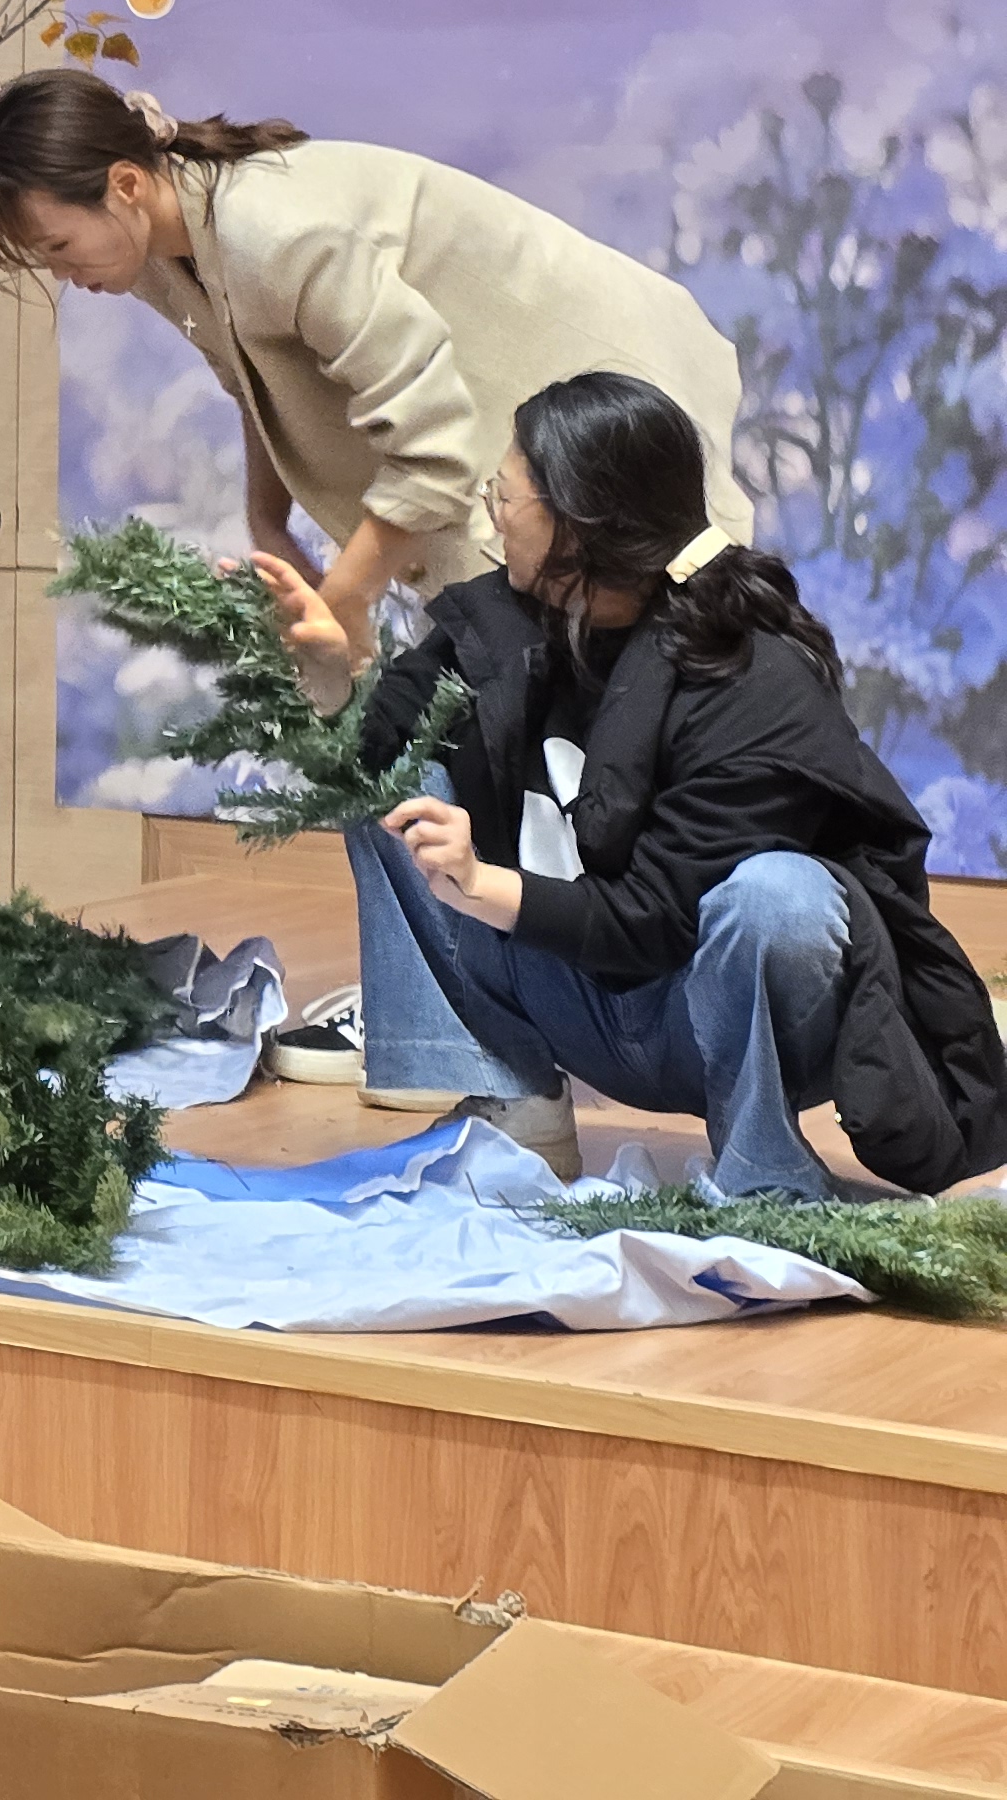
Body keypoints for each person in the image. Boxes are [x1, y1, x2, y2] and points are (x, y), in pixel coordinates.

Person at [259, 371, 1007, 1198]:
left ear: (576, 521)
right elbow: (364, 753)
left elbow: (652, 921)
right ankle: (517, 1100)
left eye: (505, 496)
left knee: (779, 897)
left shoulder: (749, 677)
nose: (491, 516)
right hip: (572, 996)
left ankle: (764, 1168)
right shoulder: (499, 620)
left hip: (707, 1013)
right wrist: (330, 677)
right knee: (395, 788)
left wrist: (479, 883)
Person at [0, 72, 748, 669]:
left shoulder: (275, 233)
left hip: (606, 399)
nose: (62, 275)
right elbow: (251, 380)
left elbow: (434, 445)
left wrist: (346, 597)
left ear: (126, 186)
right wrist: (269, 525)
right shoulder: (157, 254)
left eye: (58, 247)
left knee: (627, 685)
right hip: (495, 435)